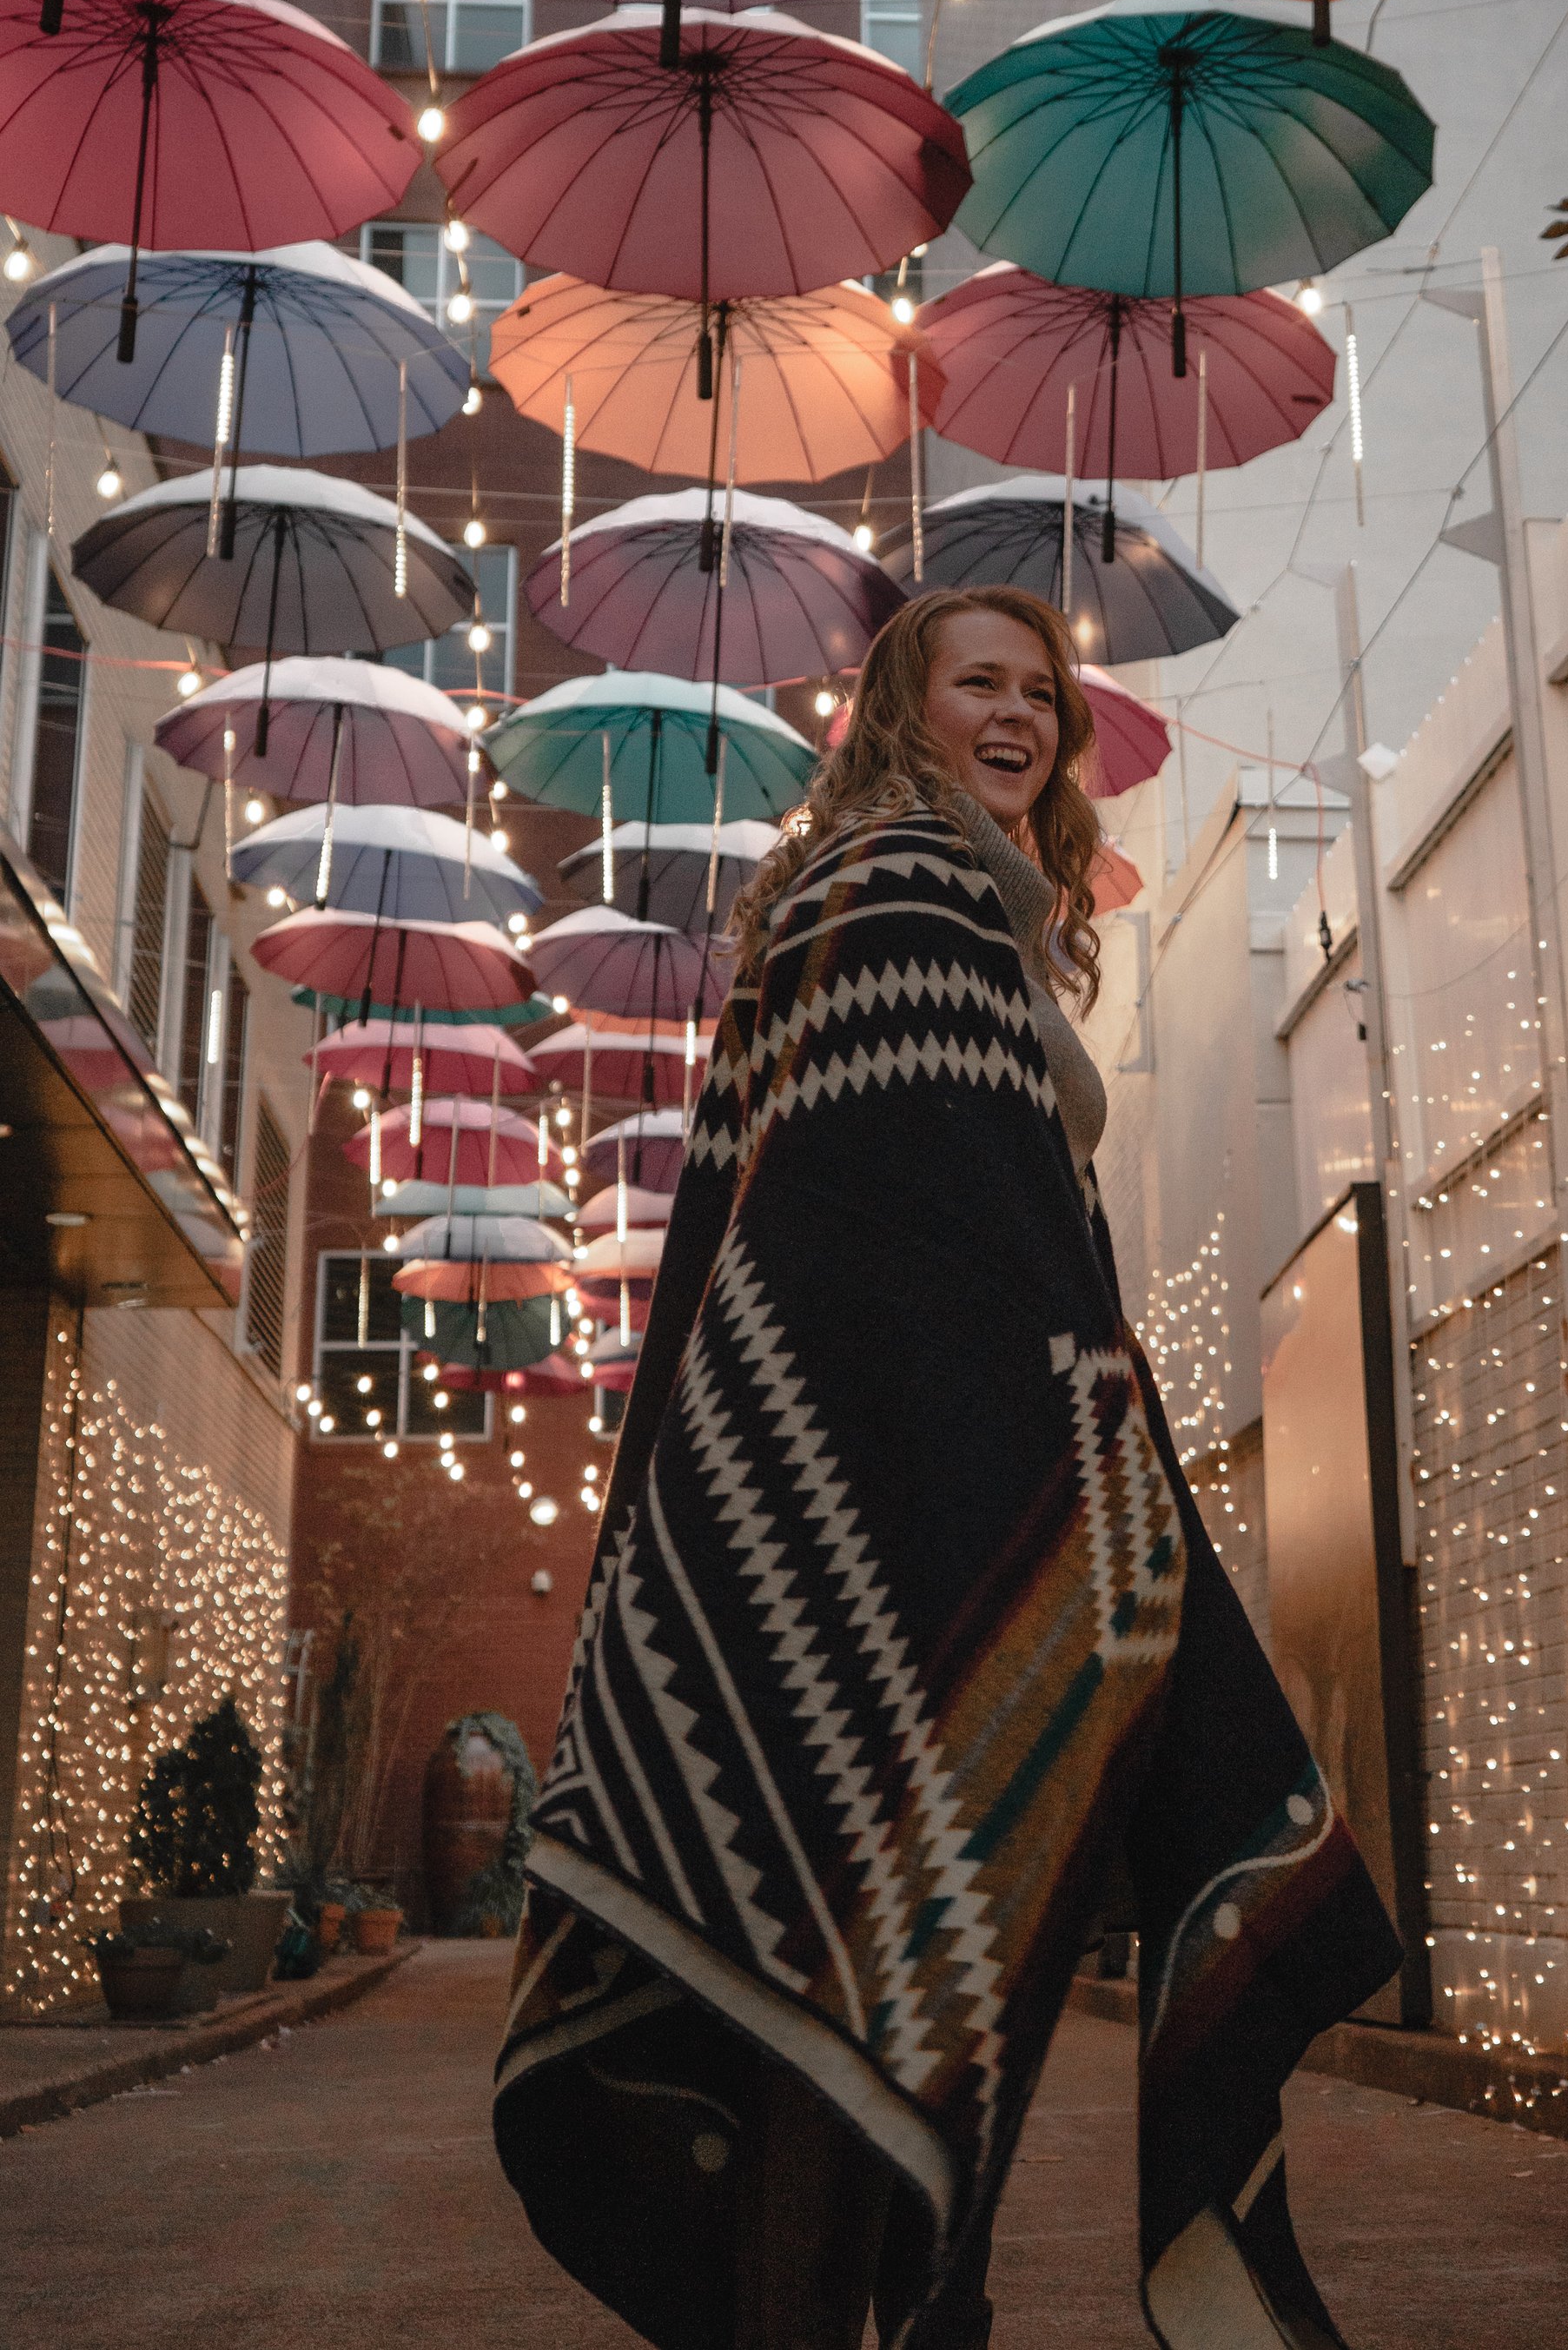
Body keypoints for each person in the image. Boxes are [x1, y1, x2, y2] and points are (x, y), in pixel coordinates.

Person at [493, 586, 1401, 2350]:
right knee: (897, 1962)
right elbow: (889, 1242)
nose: (1017, 715)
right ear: (896, 715)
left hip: (860, 1510)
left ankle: (877, 2312)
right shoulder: (899, 884)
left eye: (1040, 697)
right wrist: (1076, 1455)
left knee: (860, 1970)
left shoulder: (944, 902)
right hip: (894, 1511)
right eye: (973, 684)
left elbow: (927, 1222)